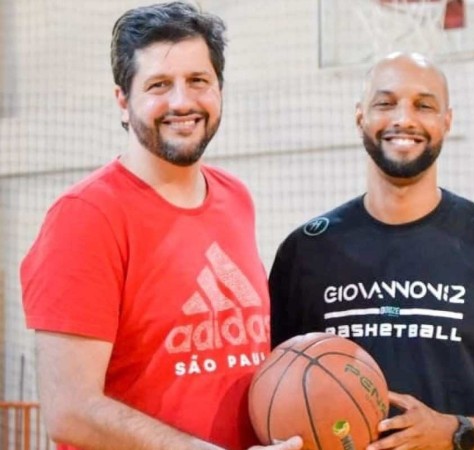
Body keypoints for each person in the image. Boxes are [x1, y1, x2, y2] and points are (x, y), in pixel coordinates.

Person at [268, 52, 474, 450]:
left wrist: (456, 432)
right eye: (385, 103)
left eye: (424, 105)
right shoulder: (306, 251)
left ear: (446, 120)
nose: (404, 118)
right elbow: (266, 394)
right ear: (360, 116)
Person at [20, 3, 302, 450]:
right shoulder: (84, 217)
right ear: (123, 99)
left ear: (219, 89)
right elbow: (69, 410)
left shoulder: (236, 199)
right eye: (158, 85)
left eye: (198, 81)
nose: (182, 102)